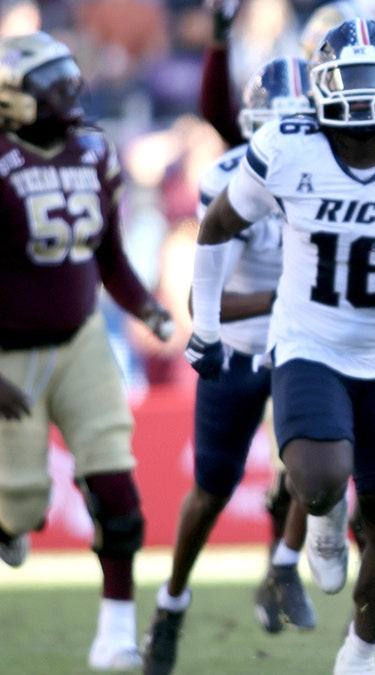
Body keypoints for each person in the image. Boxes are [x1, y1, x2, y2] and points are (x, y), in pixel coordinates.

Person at [185, 18, 375, 674]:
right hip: (308, 341)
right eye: (349, 81)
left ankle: (359, 653)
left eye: (374, 79)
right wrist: (204, 325)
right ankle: (318, 515)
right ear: (318, 85)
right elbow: (218, 223)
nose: (363, 96)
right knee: (317, 478)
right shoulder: (288, 146)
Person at [0, 30, 174, 670]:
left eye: (71, 75)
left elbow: (108, 256)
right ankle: (10, 523)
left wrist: (147, 307)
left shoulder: (95, 152)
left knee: (118, 495)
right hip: (8, 354)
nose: (71, 88)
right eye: (55, 79)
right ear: (16, 96)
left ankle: (115, 634)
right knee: (20, 504)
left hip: (80, 341)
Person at [141, 56, 317, 675]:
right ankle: (171, 603)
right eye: (280, 126)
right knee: (211, 491)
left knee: (315, 460)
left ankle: (283, 568)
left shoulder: (335, 169)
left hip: (301, 345)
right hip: (240, 346)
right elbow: (199, 298)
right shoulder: (229, 175)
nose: (293, 139)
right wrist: (287, 295)